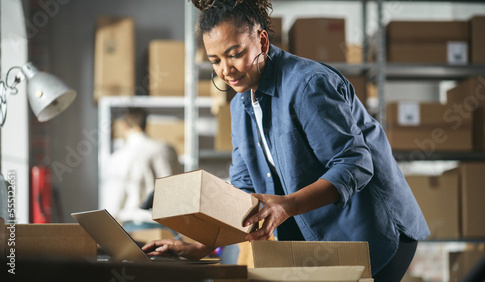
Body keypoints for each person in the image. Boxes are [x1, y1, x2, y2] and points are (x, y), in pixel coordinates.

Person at [142, 1, 430, 280]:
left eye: (235, 53)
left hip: (372, 231)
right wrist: (203, 246)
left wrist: (287, 205)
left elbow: (355, 164)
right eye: (215, 60)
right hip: (321, 239)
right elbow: (244, 191)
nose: (225, 70)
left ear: (263, 43)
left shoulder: (308, 85)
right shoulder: (239, 106)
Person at [102, 108, 182, 232]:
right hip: (171, 229)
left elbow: (112, 207)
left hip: (136, 228)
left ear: (124, 126)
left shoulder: (119, 157)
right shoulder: (168, 150)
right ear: (145, 124)